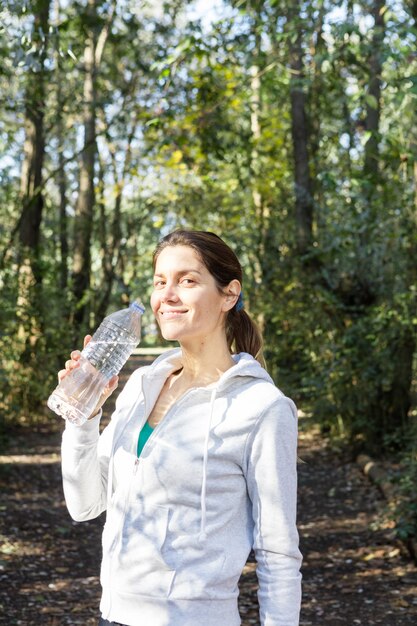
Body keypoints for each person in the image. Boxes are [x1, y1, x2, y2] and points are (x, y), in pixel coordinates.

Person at [60, 230, 302, 626]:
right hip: (112, 616)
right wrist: (84, 417)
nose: (167, 295)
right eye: (160, 282)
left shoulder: (262, 408)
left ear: (229, 294)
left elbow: (278, 553)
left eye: (187, 281)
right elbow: (85, 505)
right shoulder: (140, 386)